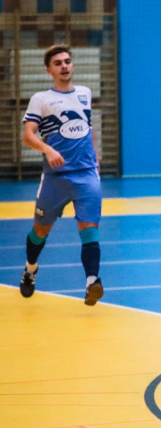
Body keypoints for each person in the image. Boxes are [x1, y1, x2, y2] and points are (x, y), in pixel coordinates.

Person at [19, 45, 104, 305]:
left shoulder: (85, 94)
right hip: (56, 177)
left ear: (73, 65)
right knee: (40, 231)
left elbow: (87, 128)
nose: (64, 66)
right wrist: (47, 149)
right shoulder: (42, 99)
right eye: (58, 63)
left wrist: (96, 160)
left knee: (89, 230)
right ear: (49, 70)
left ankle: (92, 281)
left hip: (87, 175)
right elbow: (28, 135)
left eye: (68, 61)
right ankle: (30, 269)